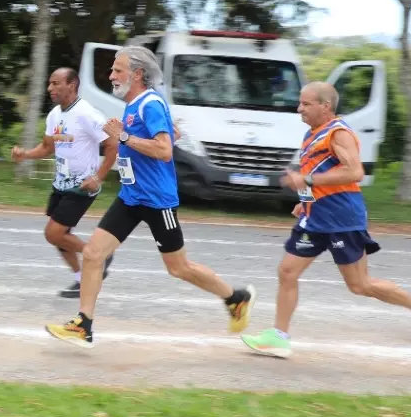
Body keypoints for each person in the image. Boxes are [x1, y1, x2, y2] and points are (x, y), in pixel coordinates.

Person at [46, 45, 255, 349]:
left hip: (157, 200)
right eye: (113, 69)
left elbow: (164, 150)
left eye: (118, 70)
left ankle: (236, 298)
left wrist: (124, 136)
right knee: (92, 254)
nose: (111, 75)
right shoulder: (136, 105)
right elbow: (169, 135)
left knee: (178, 268)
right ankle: (83, 325)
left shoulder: (150, 103)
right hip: (131, 197)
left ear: (137, 74)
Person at [241, 82, 411, 358]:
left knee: (360, 285)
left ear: (325, 106)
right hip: (315, 218)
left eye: (306, 104)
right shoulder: (311, 135)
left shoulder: (338, 133)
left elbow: (354, 172)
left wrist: (307, 181)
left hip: (342, 218)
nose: (299, 108)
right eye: (300, 103)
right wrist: (305, 202)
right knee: (287, 272)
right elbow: (314, 172)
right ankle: (279, 337)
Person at [11, 67, 115, 297]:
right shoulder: (54, 115)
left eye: (56, 83)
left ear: (72, 85)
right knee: (60, 238)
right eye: (50, 83)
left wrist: (98, 177)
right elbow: (47, 147)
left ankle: (99, 255)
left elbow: (112, 144)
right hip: (61, 184)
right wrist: (25, 155)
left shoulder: (86, 113)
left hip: (82, 185)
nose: (50, 88)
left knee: (54, 233)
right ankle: (81, 279)